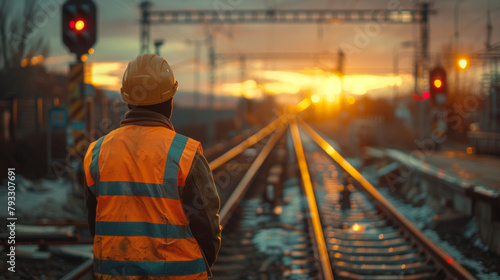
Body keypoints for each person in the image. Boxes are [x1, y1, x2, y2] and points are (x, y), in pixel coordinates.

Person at [83, 54, 221, 279]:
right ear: (170, 101)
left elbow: (94, 222)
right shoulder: (184, 152)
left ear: (128, 100)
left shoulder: (97, 152)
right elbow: (206, 225)